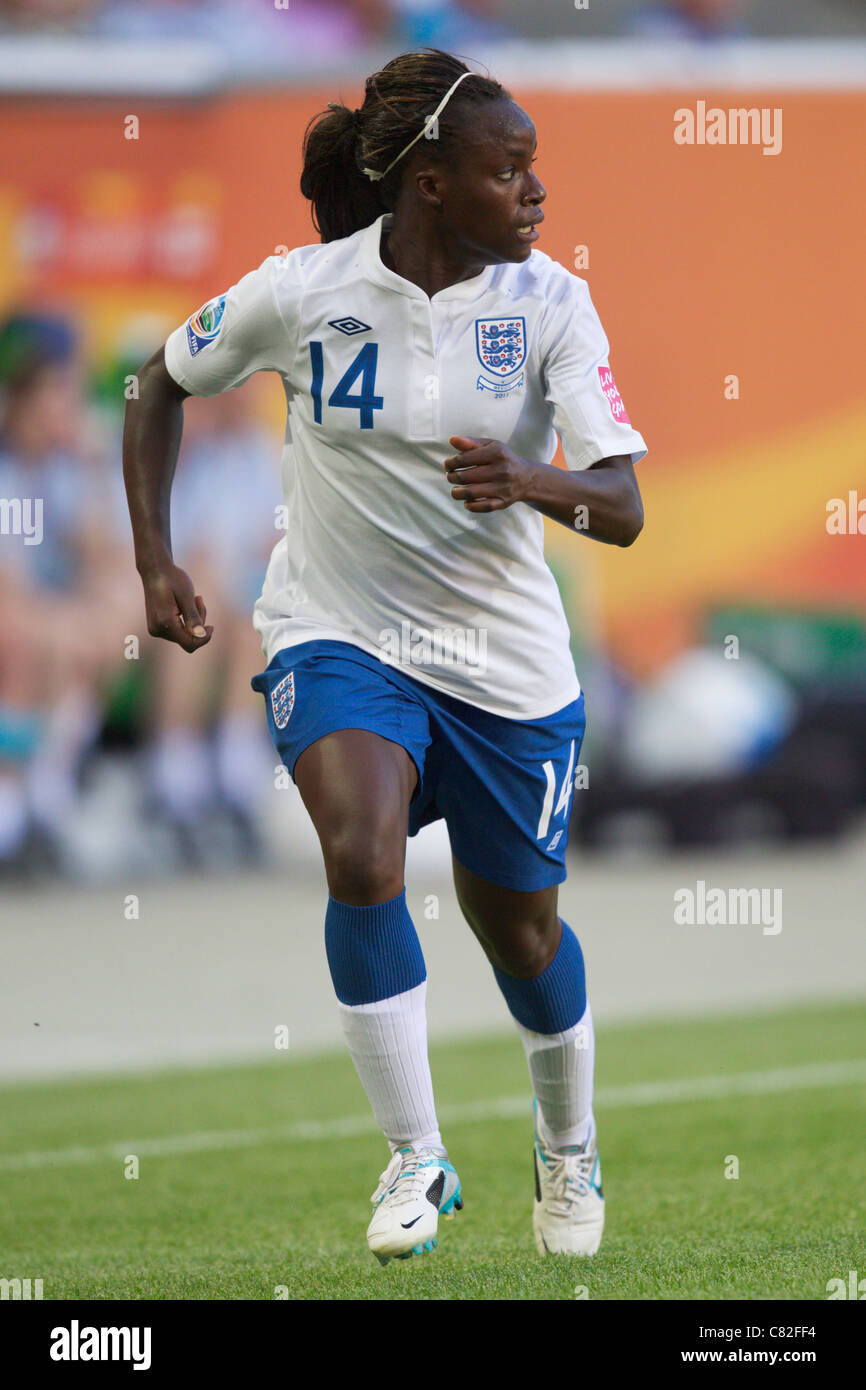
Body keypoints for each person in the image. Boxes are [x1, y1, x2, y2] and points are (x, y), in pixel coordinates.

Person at [123, 48, 647, 1265]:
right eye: (508, 171)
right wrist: (155, 561)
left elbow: (620, 506)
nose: (534, 195)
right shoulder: (301, 290)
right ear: (427, 187)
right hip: (338, 630)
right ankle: (416, 1152)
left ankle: (565, 1146)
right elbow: (156, 382)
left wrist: (532, 479)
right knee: (359, 853)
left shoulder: (552, 304)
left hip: (507, 665)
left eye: (533, 172)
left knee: (517, 932)